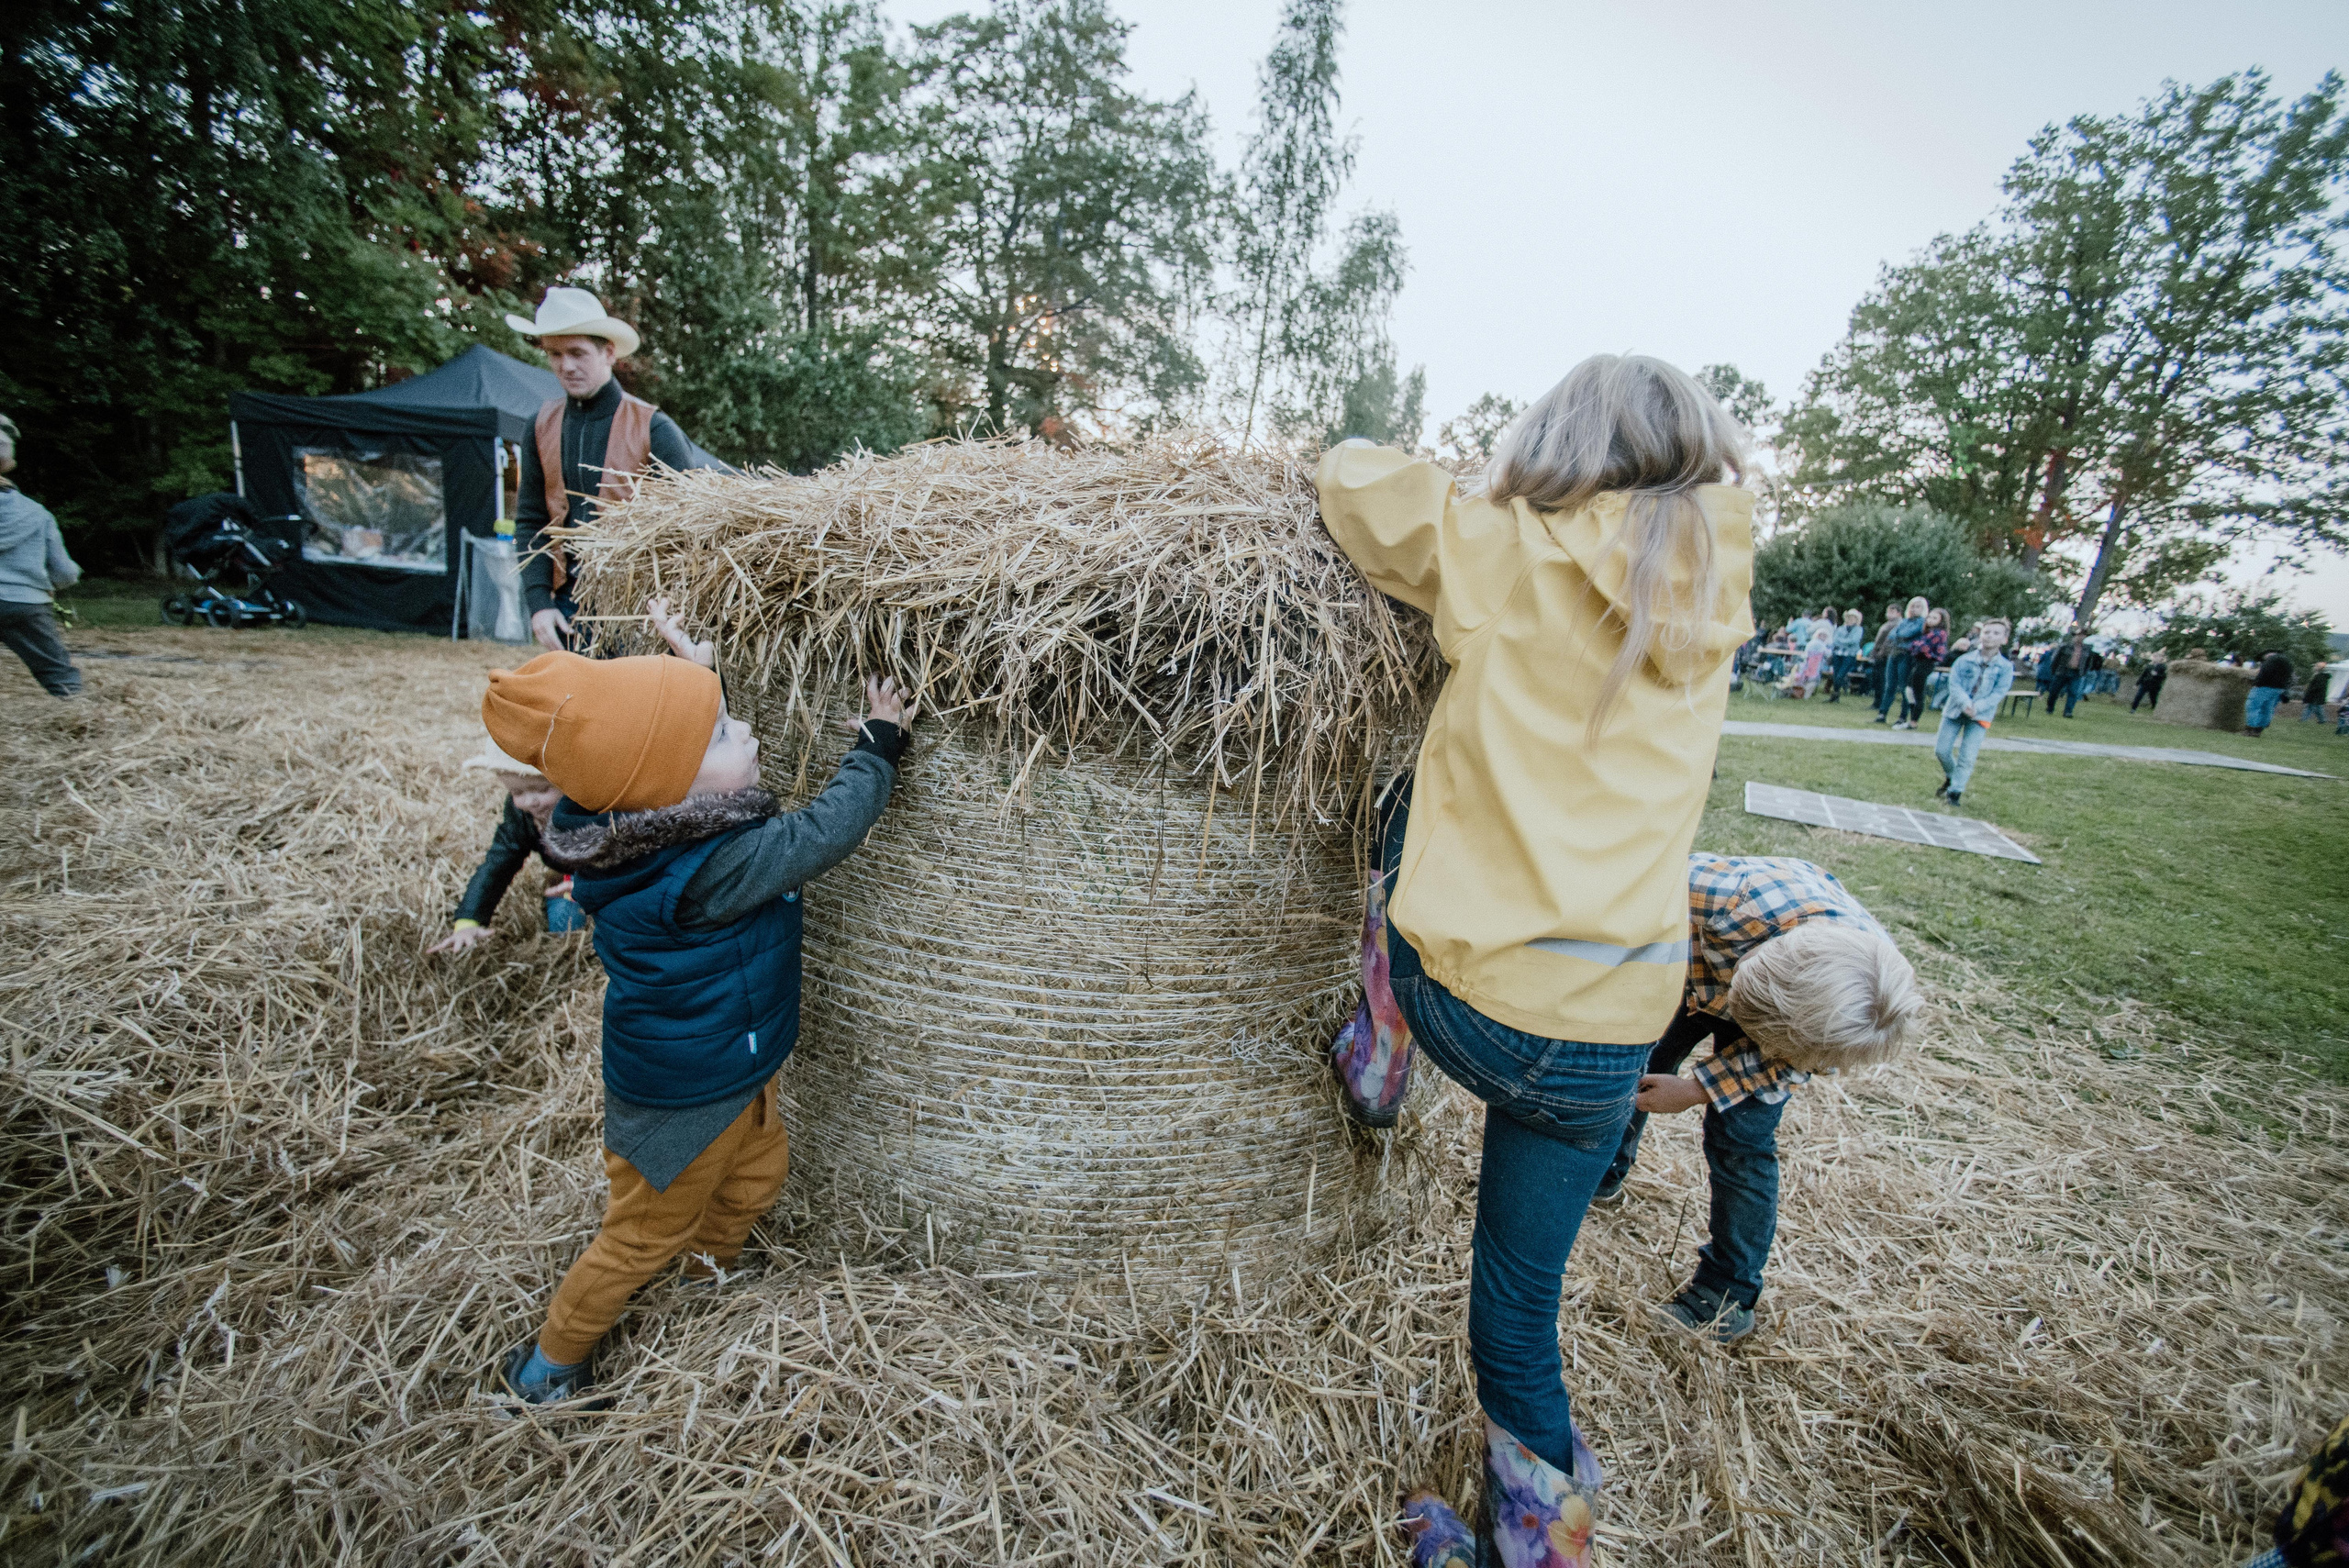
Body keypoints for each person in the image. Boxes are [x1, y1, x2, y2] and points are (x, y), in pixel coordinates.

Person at [1315, 353, 1754, 1568]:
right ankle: (1544, 1549)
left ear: (1564, 446)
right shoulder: (1716, 587)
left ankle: (1379, 1047)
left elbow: (1351, 480)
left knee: (1402, 804)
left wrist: (1488, 484)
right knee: (1517, 1317)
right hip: (1612, 1028)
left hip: (1478, 1005)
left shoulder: (1509, 549)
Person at [484, 597, 914, 1407]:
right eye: (722, 733)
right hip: (683, 1104)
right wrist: (876, 747)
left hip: (732, 1068)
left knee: (756, 1179)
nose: (745, 730)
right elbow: (823, 832)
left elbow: (657, 758)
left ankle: (708, 1280)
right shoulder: (707, 872)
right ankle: (548, 1367)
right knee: (639, 1236)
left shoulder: (639, 826)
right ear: (673, 793)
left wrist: (697, 677)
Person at [1592, 854, 1922, 1343]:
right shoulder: (1724, 897)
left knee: (1741, 1140)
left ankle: (1726, 1293)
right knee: (1635, 1062)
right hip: (1693, 969)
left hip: (1786, 1011)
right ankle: (1600, 1174)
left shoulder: (1856, 1013)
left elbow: (1790, 1061)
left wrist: (1698, 1090)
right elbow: (1627, 886)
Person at [506, 288, 710, 655]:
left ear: (609, 353)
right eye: (555, 354)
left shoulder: (655, 429)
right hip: (567, 610)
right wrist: (538, 603)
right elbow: (531, 520)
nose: (566, 366)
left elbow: (693, 532)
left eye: (577, 353)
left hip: (640, 617)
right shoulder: (539, 425)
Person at [428, 740, 587, 952]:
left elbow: (625, 858)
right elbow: (498, 864)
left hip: (613, 880)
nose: (531, 802)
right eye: (517, 793)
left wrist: (595, 886)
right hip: (569, 881)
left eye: (542, 789)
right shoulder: (521, 816)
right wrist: (469, 920)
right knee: (565, 928)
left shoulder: (596, 807)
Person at [0, 414, 83, 698]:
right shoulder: (37, 513)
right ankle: (76, 711)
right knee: (59, 675)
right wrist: (53, 584)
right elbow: (65, 573)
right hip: (26, 603)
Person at [1931, 618, 2015, 807]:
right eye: (1987, 632)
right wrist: (1965, 703)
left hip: (1980, 716)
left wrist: (1977, 707)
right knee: (1942, 750)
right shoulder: (1964, 660)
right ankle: (1952, 776)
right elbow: (1954, 684)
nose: (1990, 636)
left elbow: (1998, 693)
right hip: (1955, 711)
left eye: (1996, 633)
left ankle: (1955, 792)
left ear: (2004, 639)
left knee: (1967, 756)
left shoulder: (2005, 668)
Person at [1874, 597, 1925, 724]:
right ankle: (1882, 714)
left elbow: (1907, 633)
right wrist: (1901, 636)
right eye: (1912, 606)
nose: (1914, 609)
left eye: (1918, 606)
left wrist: (1901, 635)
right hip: (1894, 653)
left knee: (1904, 687)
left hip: (1906, 655)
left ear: (1923, 609)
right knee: (1889, 685)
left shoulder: (1922, 623)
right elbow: (1892, 635)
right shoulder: (1905, 621)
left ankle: (1902, 716)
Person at [1897, 606, 1948, 728]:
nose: (1930, 620)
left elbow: (1922, 647)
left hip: (1926, 663)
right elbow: (1915, 646)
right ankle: (1912, 717)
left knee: (1918, 692)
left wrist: (1918, 645)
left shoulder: (1939, 634)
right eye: (1930, 617)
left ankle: (1914, 721)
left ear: (1941, 621)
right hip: (1918, 662)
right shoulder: (1927, 632)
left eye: (1934, 618)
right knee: (1909, 690)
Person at [2246, 650, 2295, 736]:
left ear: (2269, 655)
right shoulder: (2287, 663)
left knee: (2253, 706)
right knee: (2268, 708)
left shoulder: (2270, 661)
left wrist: (2256, 683)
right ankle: (2259, 729)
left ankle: (2250, 728)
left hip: (2264, 687)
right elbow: (2290, 678)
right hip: (2278, 689)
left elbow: (2264, 674)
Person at [2043, 630, 2090, 717]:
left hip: (2076, 673)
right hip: (2062, 672)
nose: (2081, 637)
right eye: (2079, 635)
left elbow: (2087, 662)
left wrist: (2083, 672)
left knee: (2073, 692)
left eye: (2083, 636)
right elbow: (2055, 658)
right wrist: (2054, 670)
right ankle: (2050, 708)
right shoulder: (2065, 646)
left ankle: (2068, 712)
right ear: (2075, 636)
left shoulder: (2086, 649)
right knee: (2054, 691)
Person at [1826, 609, 1864, 703]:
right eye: (1849, 617)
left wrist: (1842, 642)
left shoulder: (1858, 629)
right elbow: (1835, 640)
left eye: (1853, 618)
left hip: (1850, 655)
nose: (1850, 619)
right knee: (1835, 675)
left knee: (1841, 675)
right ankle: (1835, 694)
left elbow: (1854, 640)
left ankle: (1836, 693)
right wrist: (1845, 642)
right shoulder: (1841, 628)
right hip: (1838, 654)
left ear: (1856, 619)